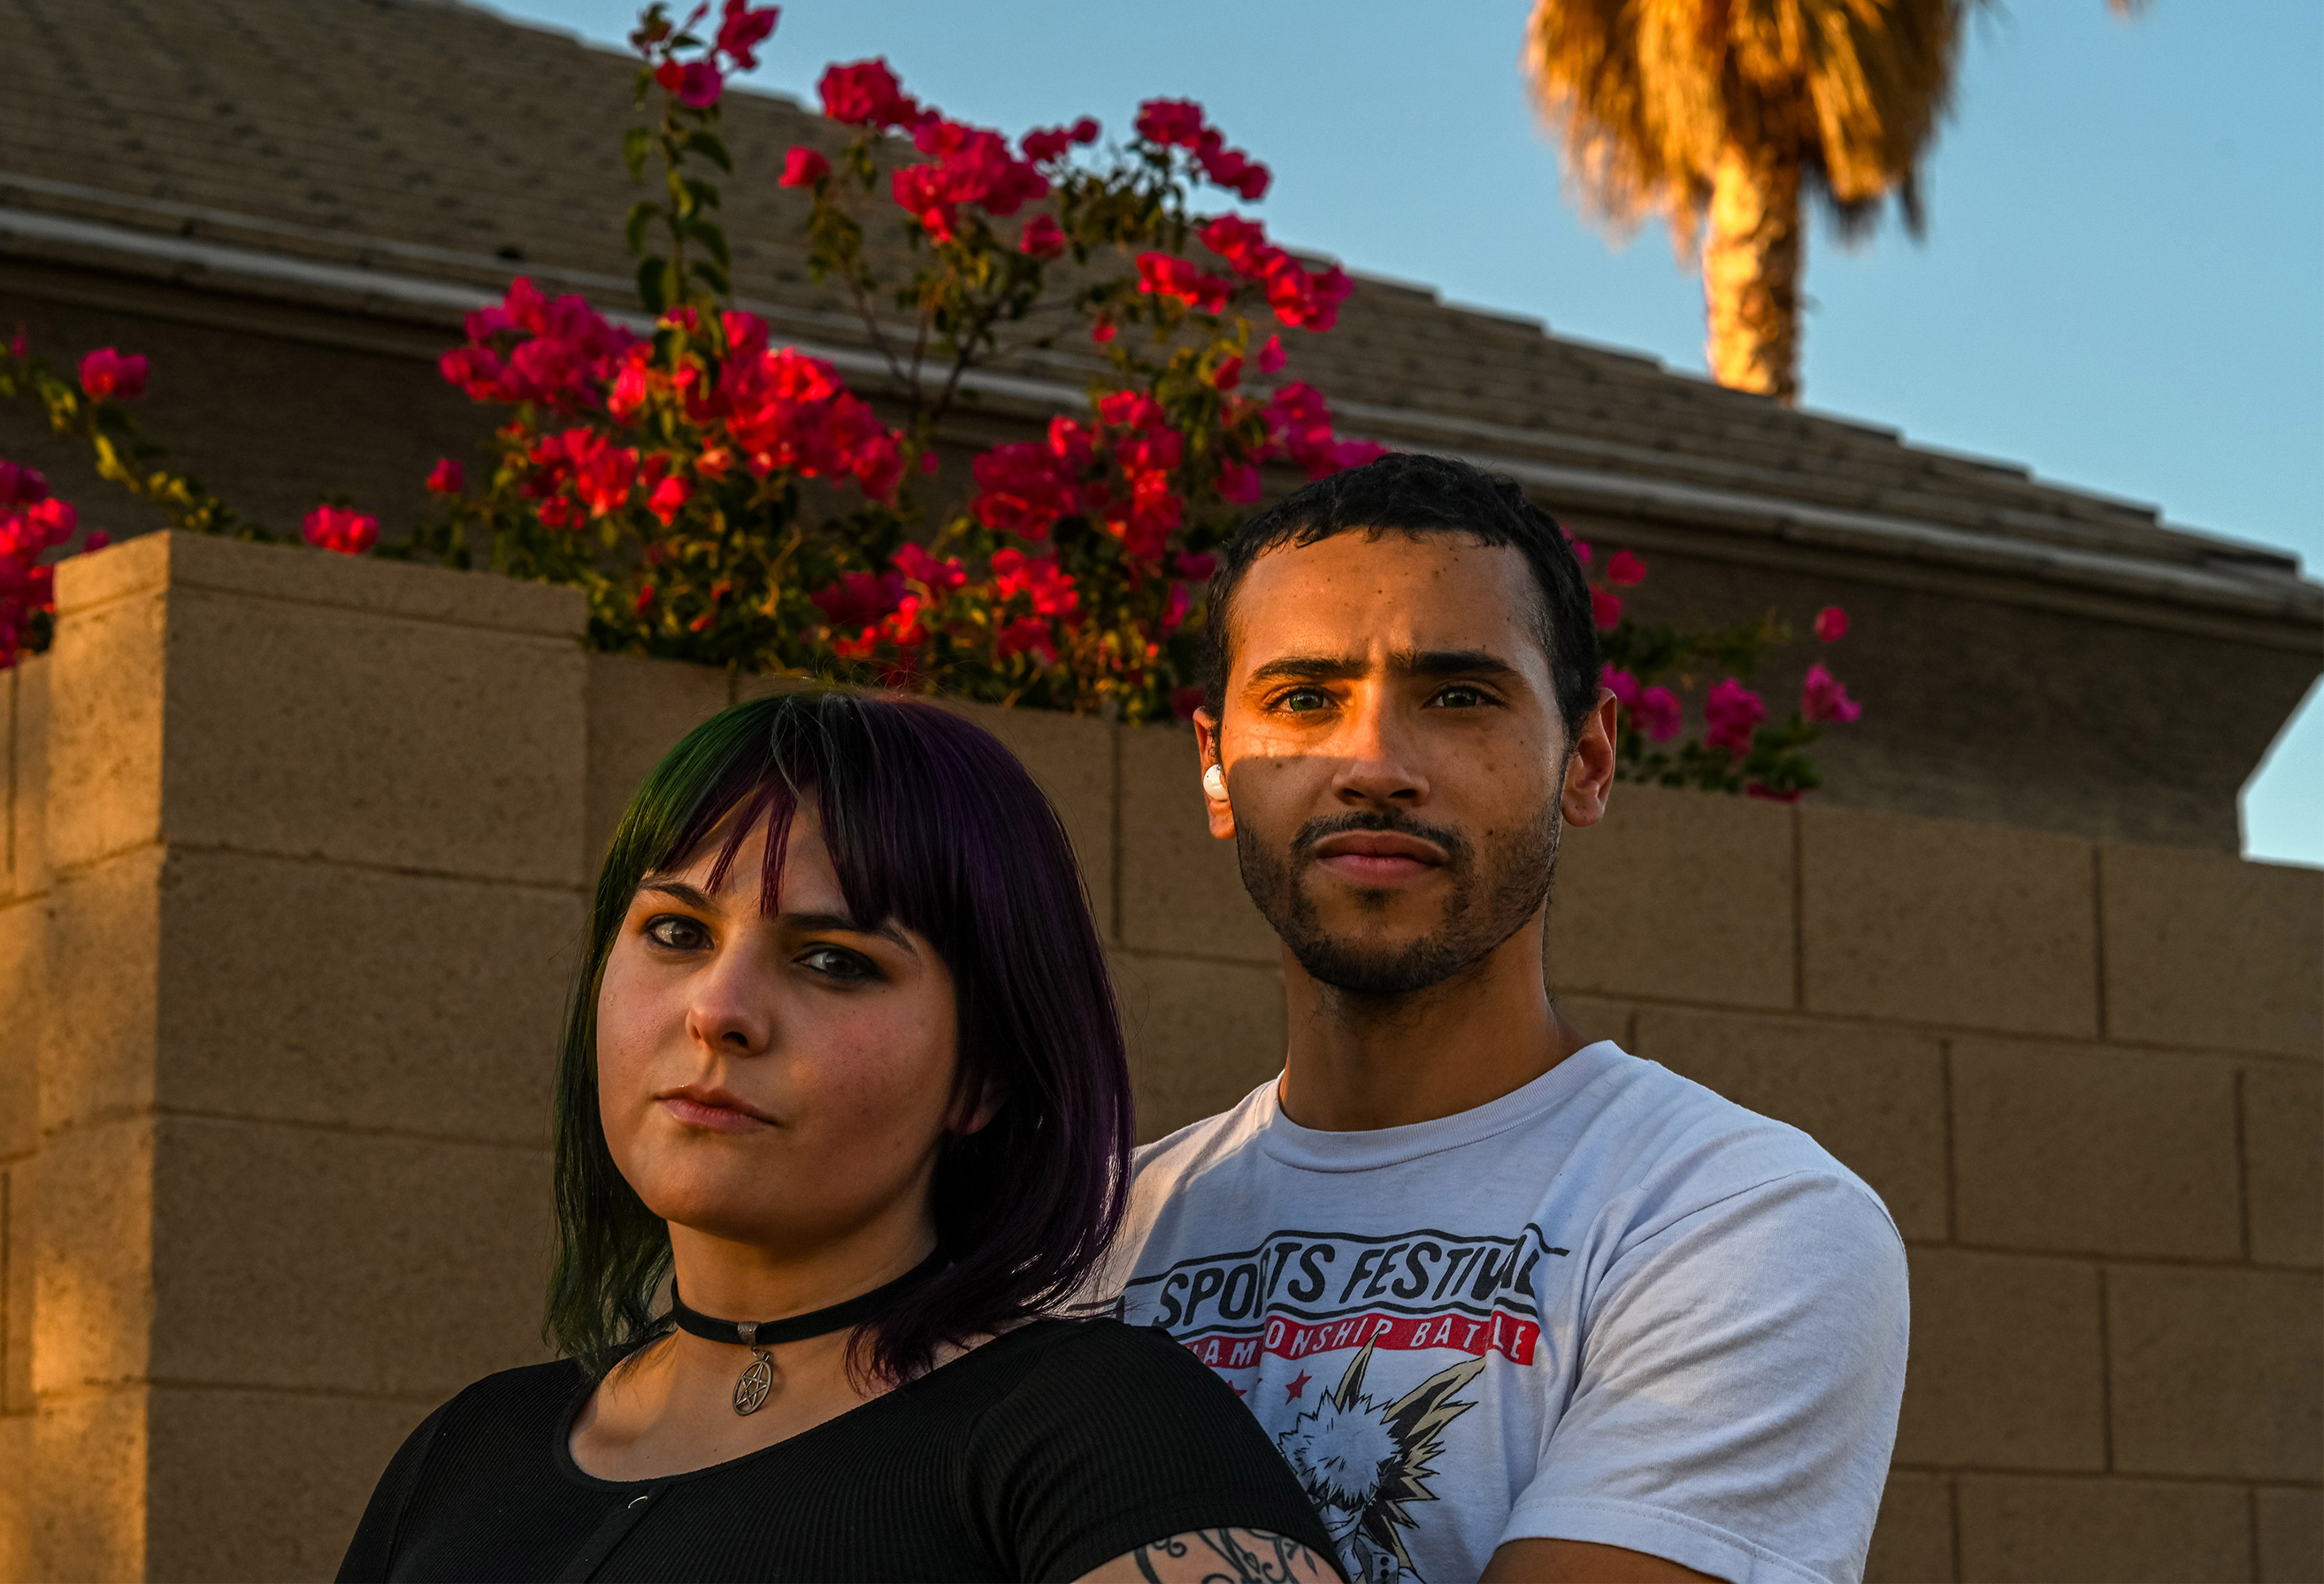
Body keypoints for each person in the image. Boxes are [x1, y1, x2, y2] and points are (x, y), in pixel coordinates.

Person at [1089, 454, 1907, 1584]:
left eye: (1459, 696)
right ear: (1217, 767)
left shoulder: (1736, 1215)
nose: (1373, 764)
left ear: (1587, 760)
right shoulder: (1098, 1237)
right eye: (1304, 698)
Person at [340, 691, 1342, 1583]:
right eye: (677, 932)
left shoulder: (1093, 1427)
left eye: (833, 959)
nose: (720, 1010)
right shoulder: (465, 1449)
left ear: (986, 1071)